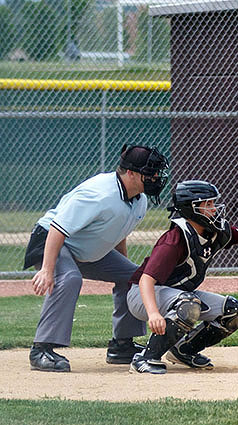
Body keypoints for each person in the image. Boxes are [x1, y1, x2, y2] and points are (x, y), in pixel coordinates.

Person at [22, 145, 169, 372]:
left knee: (135, 277)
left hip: (83, 249)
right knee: (69, 278)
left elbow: (117, 233)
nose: (155, 178)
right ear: (130, 173)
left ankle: (122, 345)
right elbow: (57, 228)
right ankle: (41, 349)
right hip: (50, 239)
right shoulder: (99, 194)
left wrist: (125, 273)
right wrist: (47, 270)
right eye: (149, 172)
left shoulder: (139, 200)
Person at [127, 180, 238, 374]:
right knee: (189, 304)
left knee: (232, 311)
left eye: (213, 203)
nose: (214, 209)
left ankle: (183, 350)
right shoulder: (175, 239)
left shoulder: (213, 231)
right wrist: (153, 313)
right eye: (208, 204)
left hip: (178, 296)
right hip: (143, 295)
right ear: (191, 208)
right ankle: (145, 358)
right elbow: (146, 279)